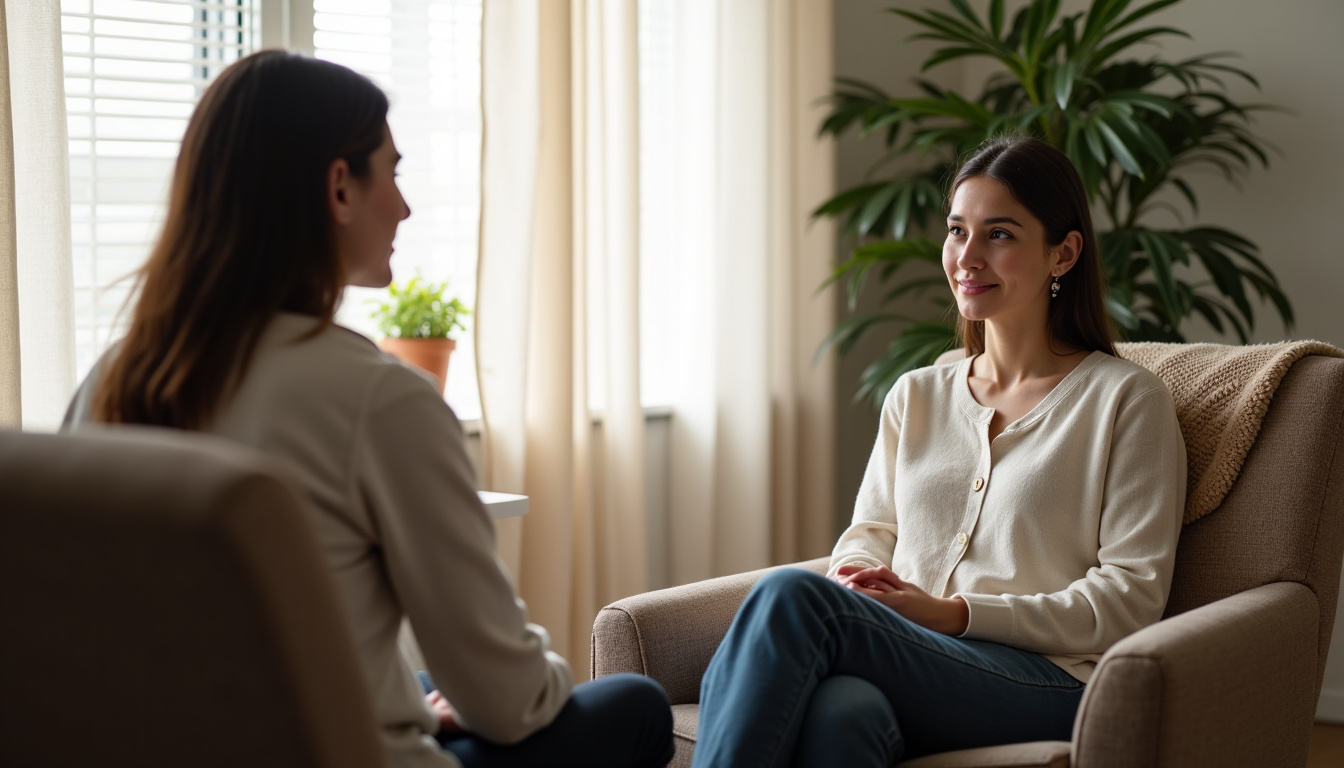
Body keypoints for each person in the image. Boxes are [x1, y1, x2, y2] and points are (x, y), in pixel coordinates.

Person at [63, 50, 673, 768]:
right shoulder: (379, 400)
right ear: (339, 189)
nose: (406, 207)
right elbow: (508, 701)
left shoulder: (112, 378)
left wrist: (419, 702)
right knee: (635, 704)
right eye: (394, 171)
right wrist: (526, 684)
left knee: (417, 686)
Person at [690, 136, 1187, 767]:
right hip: (912, 655)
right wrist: (856, 579)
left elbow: (1129, 599)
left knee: (791, 596)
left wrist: (953, 613)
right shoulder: (917, 394)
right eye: (957, 231)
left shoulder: (1126, 401)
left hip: (1050, 681)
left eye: (999, 234)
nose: (967, 257)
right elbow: (870, 532)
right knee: (843, 713)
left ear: (1063, 253)